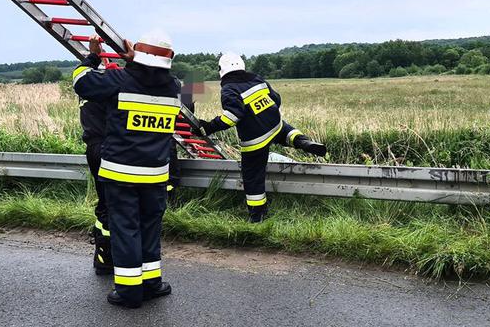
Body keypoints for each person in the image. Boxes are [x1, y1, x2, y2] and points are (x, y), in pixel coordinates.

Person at [72, 32, 180, 308]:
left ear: (138, 55)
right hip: (156, 173)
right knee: (149, 228)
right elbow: (149, 76)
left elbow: (81, 82)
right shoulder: (174, 87)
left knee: (125, 229)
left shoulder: (119, 79)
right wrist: (136, 60)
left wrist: (93, 54)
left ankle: (130, 291)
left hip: (121, 173)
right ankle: (152, 283)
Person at [198, 53, 326, 223]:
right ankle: (301, 140)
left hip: (255, 138)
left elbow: (232, 117)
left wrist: (208, 127)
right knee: (284, 130)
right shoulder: (257, 79)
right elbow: (276, 99)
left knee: (252, 177)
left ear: (221, 70)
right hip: (275, 123)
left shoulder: (229, 88)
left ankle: (257, 215)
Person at [79, 53, 120, 275]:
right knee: (111, 203)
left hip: (93, 148)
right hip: (108, 148)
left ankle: (103, 255)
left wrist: (92, 58)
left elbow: (82, 74)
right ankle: (108, 256)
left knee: (104, 201)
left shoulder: (88, 90)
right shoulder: (110, 93)